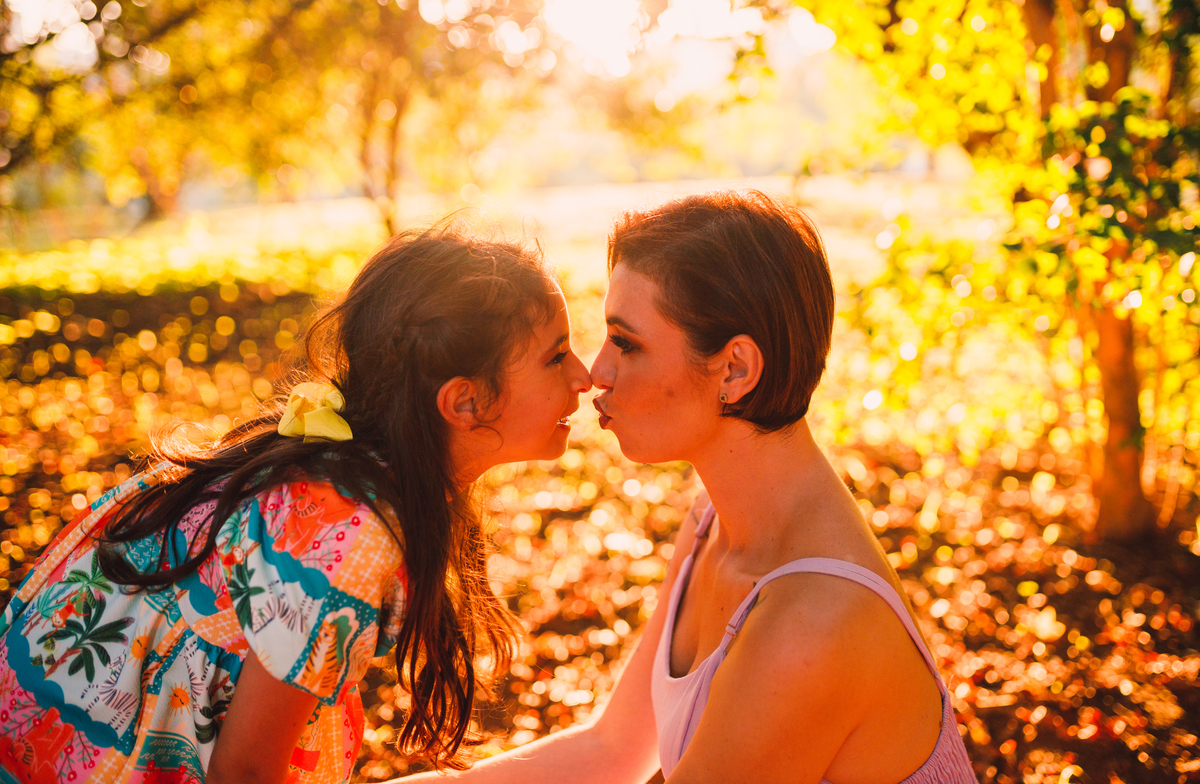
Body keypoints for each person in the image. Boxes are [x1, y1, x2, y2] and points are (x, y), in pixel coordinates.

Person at [400, 191, 978, 784]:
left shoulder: (815, 618)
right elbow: (612, 751)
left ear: (735, 370)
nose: (597, 373)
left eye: (627, 343)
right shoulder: (714, 521)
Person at [0, 225, 592, 784]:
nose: (585, 376)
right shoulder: (347, 531)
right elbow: (245, 773)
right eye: (557, 356)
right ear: (465, 402)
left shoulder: (350, 471)